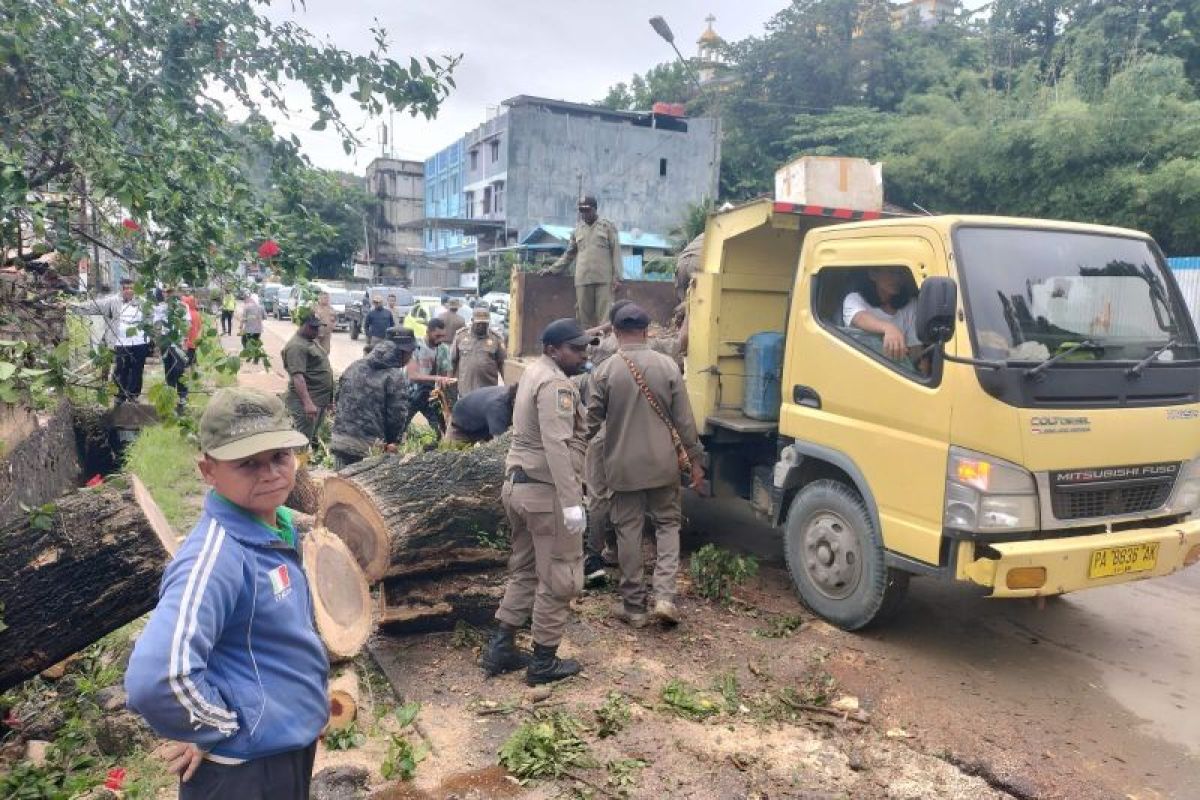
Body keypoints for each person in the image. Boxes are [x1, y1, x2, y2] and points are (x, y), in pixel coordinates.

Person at [125, 387, 327, 800]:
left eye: (279, 457)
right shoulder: (217, 558)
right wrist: (218, 728)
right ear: (208, 470)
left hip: (284, 750)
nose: (270, 472)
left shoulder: (277, 526)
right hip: (245, 774)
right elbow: (155, 678)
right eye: (248, 463)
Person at [482, 318, 594, 685]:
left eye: (585, 347)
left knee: (526, 569)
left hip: (519, 487)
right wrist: (572, 500)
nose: (583, 354)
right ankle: (543, 662)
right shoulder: (556, 385)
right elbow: (557, 445)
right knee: (561, 575)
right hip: (546, 494)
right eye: (575, 349)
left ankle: (501, 647)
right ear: (552, 349)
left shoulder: (534, 372)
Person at [586, 303, 704, 627]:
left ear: (614, 332)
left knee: (628, 531)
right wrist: (696, 461)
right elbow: (685, 422)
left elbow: (591, 424)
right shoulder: (667, 366)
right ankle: (665, 596)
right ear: (647, 330)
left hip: (622, 467)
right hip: (663, 464)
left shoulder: (605, 371)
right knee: (667, 526)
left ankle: (634, 606)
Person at [329, 336, 414, 469]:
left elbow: (338, 398)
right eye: (410, 355)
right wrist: (393, 441)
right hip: (368, 446)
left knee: (339, 482)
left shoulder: (354, 366)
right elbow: (397, 415)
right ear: (401, 355)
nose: (411, 359)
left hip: (340, 440)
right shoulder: (394, 376)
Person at [543, 195, 623, 328]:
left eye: (587, 210)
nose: (584, 214)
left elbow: (616, 252)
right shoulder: (577, 230)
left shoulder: (607, 227)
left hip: (604, 279)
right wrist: (552, 269)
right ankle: (586, 347)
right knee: (583, 319)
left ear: (595, 209)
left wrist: (618, 277)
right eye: (581, 211)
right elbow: (568, 254)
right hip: (583, 280)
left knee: (605, 317)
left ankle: (604, 346)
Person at [842, 267, 919, 361]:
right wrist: (889, 328)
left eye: (901, 273)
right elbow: (859, 317)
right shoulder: (854, 299)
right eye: (892, 272)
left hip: (899, 371)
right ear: (873, 275)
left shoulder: (911, 305)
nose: (897, 278)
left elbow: (915, 347)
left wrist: (920, 365)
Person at [282, 315, 335, 446]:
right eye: (314, 328)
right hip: (308, 401)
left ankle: (305, 462)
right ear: (304, 326)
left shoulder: (310, 341)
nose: (317, 332)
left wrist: (329, 401)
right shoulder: (296, 346)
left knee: (311, 437)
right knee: (302, 440)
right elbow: (298, 377)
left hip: (319, 399)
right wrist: (307, 404)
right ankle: (300, 465)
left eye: (318, 328)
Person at [404, 318, 455, 438]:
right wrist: (437, 378)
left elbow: (446, 375)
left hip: (430, 395)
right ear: (428, 332)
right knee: (399, 428)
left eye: (443, 336)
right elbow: (413, 375)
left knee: (439, 431)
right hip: (410, 393)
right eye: (437, 335)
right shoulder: (415, 347)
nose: (441, 339)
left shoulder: (443, 349)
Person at [102, 278, 149, 403]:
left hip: (140, 342)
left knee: (137, 368)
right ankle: (121, 394)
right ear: (121, 290)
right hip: (121, 342)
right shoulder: (114, 303)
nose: (128, 291)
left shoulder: (143, 303)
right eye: (125, 288)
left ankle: (133, 394)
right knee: (122, 368)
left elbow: (150, 319)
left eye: (130, 288)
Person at [452, 307, 506, 397]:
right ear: (472, 321)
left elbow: (503, 365)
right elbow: (453, 361)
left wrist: (507, 388)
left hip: (488, 393)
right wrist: (451, 385)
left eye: (484, 323)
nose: (482, 325)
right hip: (466, 392)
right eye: (479, 323)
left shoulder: (496, 339)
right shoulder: (460, 336)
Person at [447, 383, 518, 445]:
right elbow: (500, 444)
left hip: (482, 425)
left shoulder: (515, 394)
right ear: (514, 401)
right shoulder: (498, 409)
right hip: (460, 427)